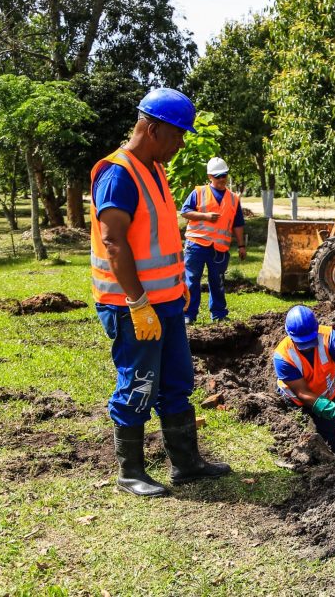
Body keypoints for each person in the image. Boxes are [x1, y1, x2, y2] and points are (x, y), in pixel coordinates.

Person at [91, 87, 232, 497]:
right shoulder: (118, 173)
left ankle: (186, 464)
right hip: (131, 306)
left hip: (166, 303)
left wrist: (177, 291)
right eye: (177, 134)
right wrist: (138, 303)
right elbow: (114, 241)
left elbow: (159, 238)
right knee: (138, 382)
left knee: (175, 380)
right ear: (151, 129)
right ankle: (130, 471)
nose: (181, 143)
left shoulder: (152, 168)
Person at [273, 305, 335, 461]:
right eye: (301, 343)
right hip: (298, 403)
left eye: (310, 341)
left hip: (330, 393)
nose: (307, 347)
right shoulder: (283, 357)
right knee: (309, 439)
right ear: (290, 336)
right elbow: (302, 393)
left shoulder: (330, 338)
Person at [181, 156, 246, 324]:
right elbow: (185, 211)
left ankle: (219, 314)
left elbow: (238, 224)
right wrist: (205, 216)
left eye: (224, 175)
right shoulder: (199, 192)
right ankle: (188, 314)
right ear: (210, 176)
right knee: (192, 280)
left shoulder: (233, 199)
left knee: (217, 282)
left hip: (219, 249)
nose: (222, 179)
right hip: (196, 245)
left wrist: (241, 245)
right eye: (218, 176)